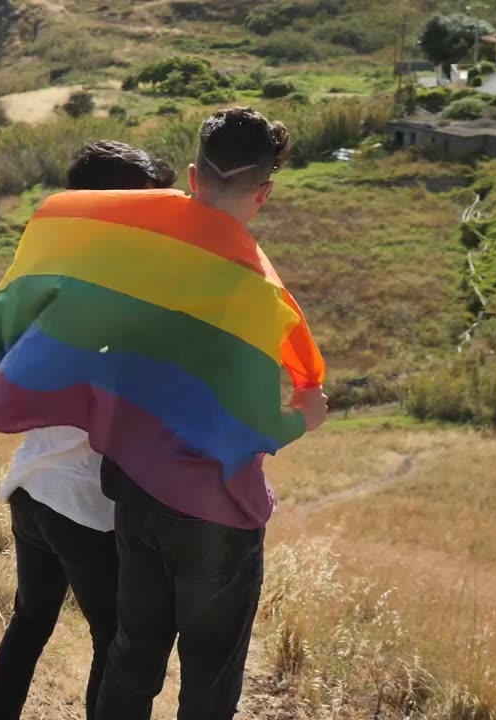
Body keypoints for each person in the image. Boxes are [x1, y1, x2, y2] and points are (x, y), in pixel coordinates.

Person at [94, 108, 329, 720]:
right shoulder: (255, 291)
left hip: (136, 494)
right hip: (216, 517)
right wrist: (306, 417)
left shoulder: (138, 261)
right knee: (209, 679)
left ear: (194, 178)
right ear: (265, 194)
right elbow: (252, 425)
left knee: (131, 657)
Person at [0, 140, 179, 720]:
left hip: (32, 487)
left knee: (30, 621)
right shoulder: (123, 289)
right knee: (114, 641)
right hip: (83, 504)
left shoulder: (53, 277)